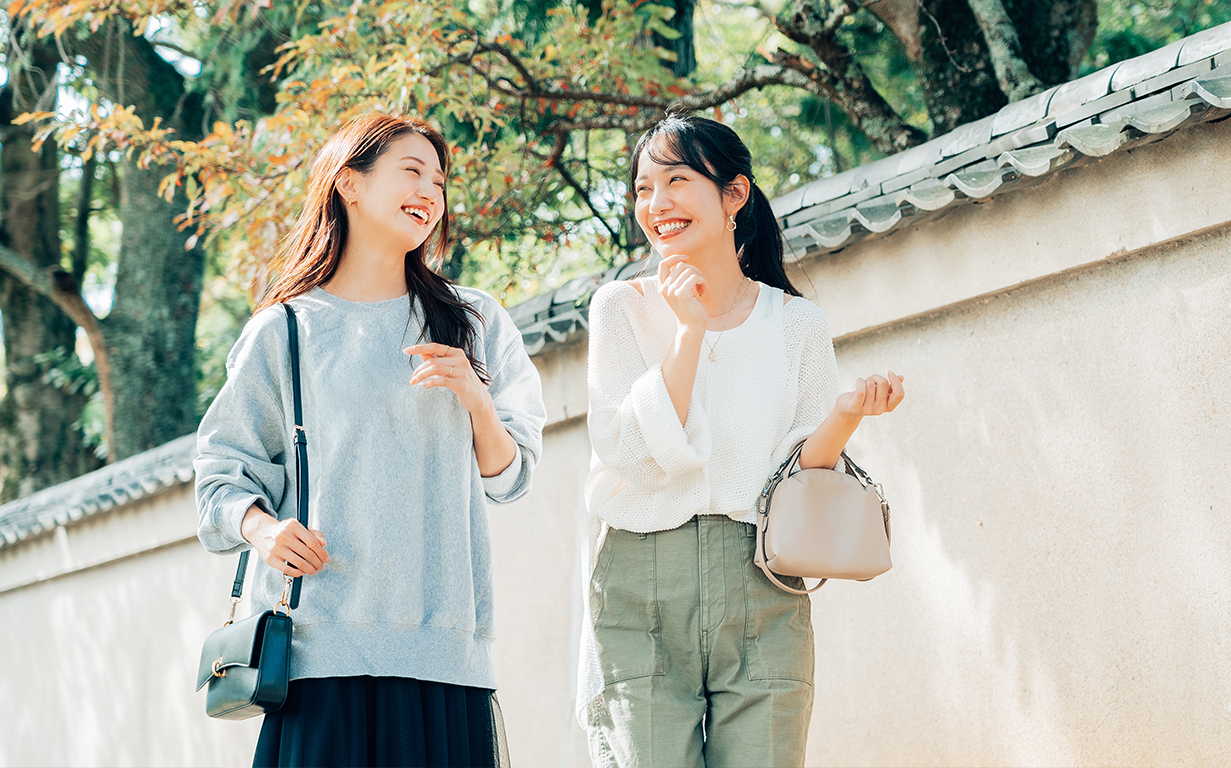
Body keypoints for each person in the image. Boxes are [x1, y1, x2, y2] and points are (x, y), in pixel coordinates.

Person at [194, 113, 545, 768]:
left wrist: (474, 397)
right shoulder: (285, 332)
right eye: (412, 171)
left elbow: (512, 473)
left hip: (444, 652)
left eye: (439, 181)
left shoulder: (473, 322)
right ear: (348, 185)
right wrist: (263, 531)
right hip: (320, 654)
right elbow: (221, 468)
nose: (431, 194)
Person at [579, 115, 906, 767]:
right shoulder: (620, 309)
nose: (657, 204)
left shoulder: (796, 323)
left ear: (735, 195)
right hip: (638, 584)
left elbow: (802, 474)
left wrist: (843, 416)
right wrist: (689, 332)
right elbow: (633, 455)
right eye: (644, 189)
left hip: (760, 580)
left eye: (677, 180)